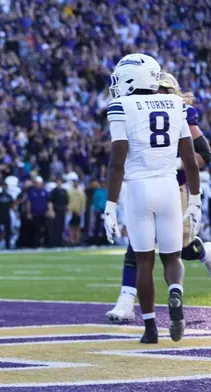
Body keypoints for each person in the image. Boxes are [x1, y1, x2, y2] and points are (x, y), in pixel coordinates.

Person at [104, 53, 201, 344]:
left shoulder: (121, 105)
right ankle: (176, 293)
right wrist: (195, 200)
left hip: (137, 190)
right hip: (169, 188)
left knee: (143, 261)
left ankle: (150, 329)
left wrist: (110, 204)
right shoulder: (176, 104)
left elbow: (117, 161)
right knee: (172, 258)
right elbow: (191, 161)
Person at [0, 182, 14, 249]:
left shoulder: (9, 196)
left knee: (8, 231)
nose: (4, 188)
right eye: (3, 186)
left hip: (7, 215)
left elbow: (12, 205)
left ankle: (8, 245)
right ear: (2, 187)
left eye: (6, 187)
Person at [48, 177, 69, 247]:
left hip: (62, 211)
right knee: (55, 228)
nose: (59, 183)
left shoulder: (64, 191)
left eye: (60, 181)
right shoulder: (53, 191)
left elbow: (67, 202)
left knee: (61, 227)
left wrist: (67, 210)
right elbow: (50, 202)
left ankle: (60, 242)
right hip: (55, 211)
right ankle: (54, 243)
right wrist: (51, 211)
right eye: (58, 181)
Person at [67, 179, 86, 246]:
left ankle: (77, 241)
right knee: (71, 228)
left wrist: (81, 211)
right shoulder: (69, 191)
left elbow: (83, 202)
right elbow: (68, 201)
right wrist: (69, 210)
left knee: (78, 228)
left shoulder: (81, 192)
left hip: (78, 212)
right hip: (71, 212)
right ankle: (72, 241)